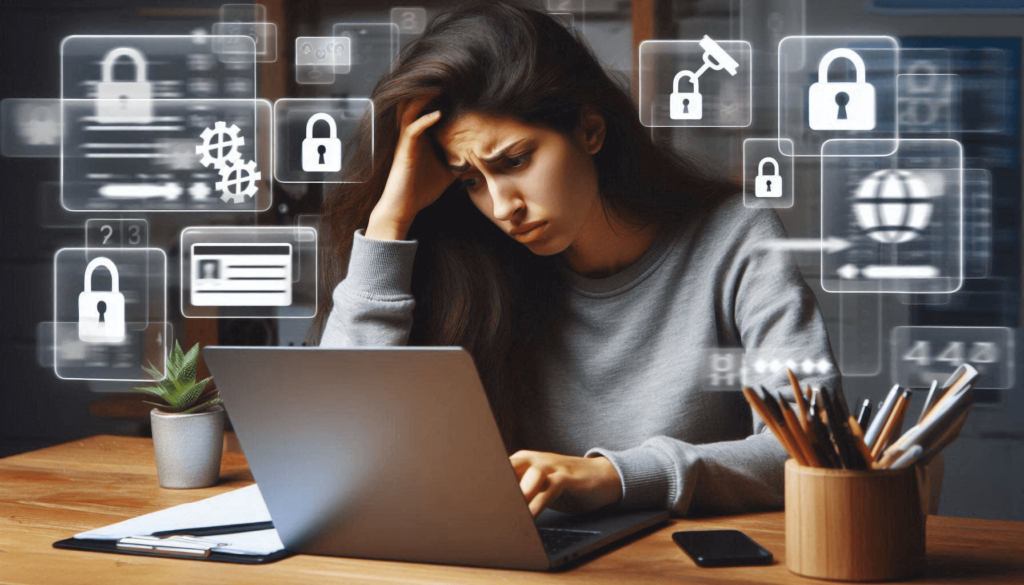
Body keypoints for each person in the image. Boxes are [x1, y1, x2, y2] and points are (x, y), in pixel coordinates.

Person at [312, 1, 840, 519]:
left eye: (515, 161)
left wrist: (615, 477)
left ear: (590, 129)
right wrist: (390, 223)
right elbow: (334, 442)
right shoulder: (475, 263)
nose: (502, 207)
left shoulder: (734, 237)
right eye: (470, 180)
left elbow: (813, 447)